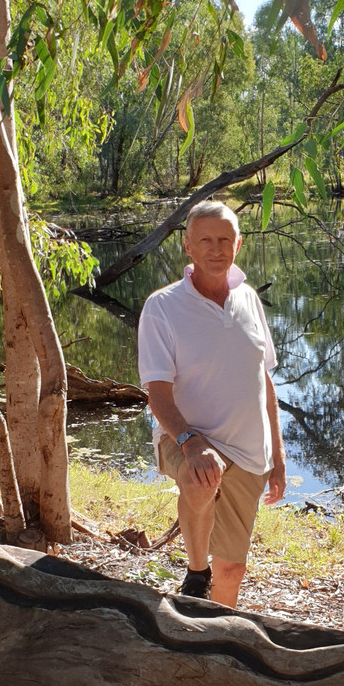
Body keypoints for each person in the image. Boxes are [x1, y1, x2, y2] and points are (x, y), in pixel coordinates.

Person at [137, 200, 286, 608]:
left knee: (233, 571)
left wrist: (279, 457)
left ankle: (213, 638)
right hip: (185, 434)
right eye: (205, 240)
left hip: (249, 450)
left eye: (224, 240)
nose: (216, 249)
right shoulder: (163, 307)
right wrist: (189, 440)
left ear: (238, 244)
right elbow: (158, 393)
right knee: (199, 476)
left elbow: (264, 382)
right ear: (188, 246)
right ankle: (196, 569)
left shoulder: (250, 300)